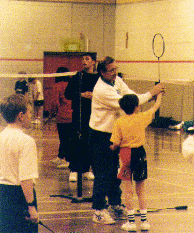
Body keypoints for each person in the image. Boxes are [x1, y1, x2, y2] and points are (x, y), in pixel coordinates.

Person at [88, 56, 164, 224]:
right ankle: (99, 210)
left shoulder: (117, 81)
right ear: (102, 72)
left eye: (116, 68)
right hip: (101, 135)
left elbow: (132, 96)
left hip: (117, 134)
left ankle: (115, 203)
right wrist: (152, 93)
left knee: (117, 171)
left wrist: (151, 95)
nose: (115, 72)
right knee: (103, 173)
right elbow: (127, 102)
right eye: (111, 70)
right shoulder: (101, 90)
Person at [110, 93, 163, 231]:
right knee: (141, 190)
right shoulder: (142, 117)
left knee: (128, 191)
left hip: (125, 154)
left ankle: (131, 223)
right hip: (140, 154)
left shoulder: (119, 122)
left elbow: (116, 143)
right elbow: (156, 106)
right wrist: (160, 95)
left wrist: (112, 147)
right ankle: (144, 222)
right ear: (137, 107)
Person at [0, 94, 39, 233]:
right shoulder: (26, 141)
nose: (31, 116)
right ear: (21, 115)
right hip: (18, 196)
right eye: (29, 112)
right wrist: (31, 206)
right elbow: (26, 178)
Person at [65, 52, 99, 182]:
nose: (84, 61)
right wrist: (81, 94)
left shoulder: (98, 78)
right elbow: (68, 94)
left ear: (93, 62)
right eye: (82, 59)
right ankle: (73, 170)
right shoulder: (77, 77)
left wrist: (94, 95)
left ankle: (85, 169)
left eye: (87, 59)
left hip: (94, 115)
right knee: (76, 141)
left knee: (89, 142)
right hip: (79, 115)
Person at [50, 67, 72, 169]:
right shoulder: (72, 84)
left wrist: (52, 113)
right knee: (68, 138)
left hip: (62, 117)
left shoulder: (57, 86)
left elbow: (55, 103)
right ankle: (60, 157)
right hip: (73, 116)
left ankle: (67, 160)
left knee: (63, 138)